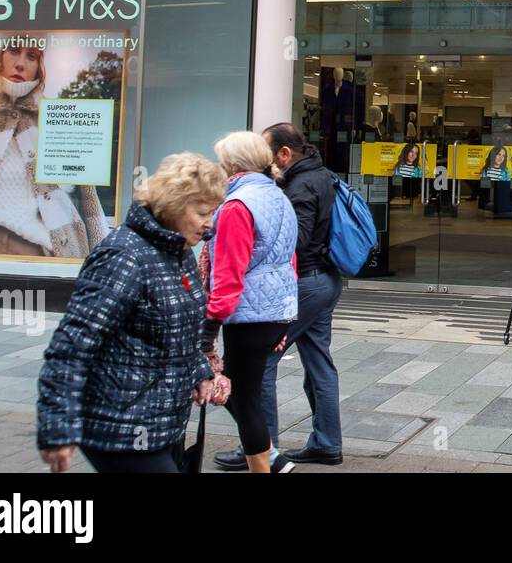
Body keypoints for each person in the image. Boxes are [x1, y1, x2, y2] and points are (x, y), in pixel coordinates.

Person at [36, 152, 226, 473]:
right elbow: (72, 344)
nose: (211, 223)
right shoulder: (123, 256)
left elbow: (170, 330)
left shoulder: (176, 250)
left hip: (160, 420)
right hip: (123, 425)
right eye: (203, 212)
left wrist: (199, 371)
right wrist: (57, 427)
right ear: (175, 204)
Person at [215, 123, 343, 470]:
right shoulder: (321, 175)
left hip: (304, 283)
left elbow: (294, 244)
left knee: (261, 366)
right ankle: (327, 443)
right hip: (325, 279)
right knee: (319, 362)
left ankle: (261, 447)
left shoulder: (294, 186)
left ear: (284, 153)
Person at [0, 40, 108, 257]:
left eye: (31, 56)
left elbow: (89, 202)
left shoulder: (58, 123)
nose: (20, 64)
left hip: (37, 248)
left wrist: (101, 263)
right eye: (13, 51)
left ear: (39, 69)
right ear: (1, 57)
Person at [202, 131, 299, 474]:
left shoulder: (236, 206)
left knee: (241, 396)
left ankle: (269, 462)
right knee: (243, 391)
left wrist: (209, 327)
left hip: (247, 315)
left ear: (230, 164)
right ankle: (271, 457)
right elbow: (290, 260)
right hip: (275, 312)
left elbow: (228, 274)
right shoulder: (279, 198)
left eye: (221, 160)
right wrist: (286, 316)